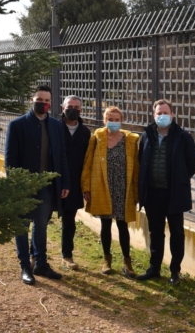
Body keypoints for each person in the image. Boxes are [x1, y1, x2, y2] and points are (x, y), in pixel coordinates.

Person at [5, 85, 70, 285]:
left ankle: (41, 263)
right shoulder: (17, 125)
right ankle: (25, 265)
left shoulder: (57, 126)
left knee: (41, 225)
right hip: (24, 186)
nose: (43, 103)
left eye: (46, 100)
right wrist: (16, 184)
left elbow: (61, 156)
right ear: (31, 100)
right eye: (39, 99)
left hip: (47, 185)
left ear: (51, 103)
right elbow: (10, 158)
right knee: (23, 225)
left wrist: (64, 181)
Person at [137, 99, 195, 286]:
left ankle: (175, 270)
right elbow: (142, 159)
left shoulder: (182, 137)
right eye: (159, 113)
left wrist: (180, 178)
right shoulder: (147, 135)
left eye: (166, 113)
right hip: (152, 194)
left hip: (174, 195)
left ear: (172, 115)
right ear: (153, 115)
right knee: (156, 232)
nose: (162, 116)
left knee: (177, 233)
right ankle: (154, 268)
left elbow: (193, 163)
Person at [81, 106, 139, 277]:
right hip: (102, 187)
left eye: (116, 119)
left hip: (123, 188)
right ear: (104, 119)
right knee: (105, 224)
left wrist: (136, 192)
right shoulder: (97, 138)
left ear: (121, 120)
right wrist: (86, 187)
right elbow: (88, 163)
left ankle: (127, 263)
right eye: (110, 119)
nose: (113, 122)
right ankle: (107, 260)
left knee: (123, 225)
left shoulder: (130, 140)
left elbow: (136, 168)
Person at [60, 95, 91, 269]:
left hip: (73, 183)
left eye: (77, 107)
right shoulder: (55, 127)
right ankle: (36, 254)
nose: (73, 110)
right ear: (63, 108)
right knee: (42, 219)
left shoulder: (85, 132)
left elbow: (87, 160)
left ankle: (67, 255)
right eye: (69, 106)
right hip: (54, 181)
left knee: (69, 221)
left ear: (81, 110)